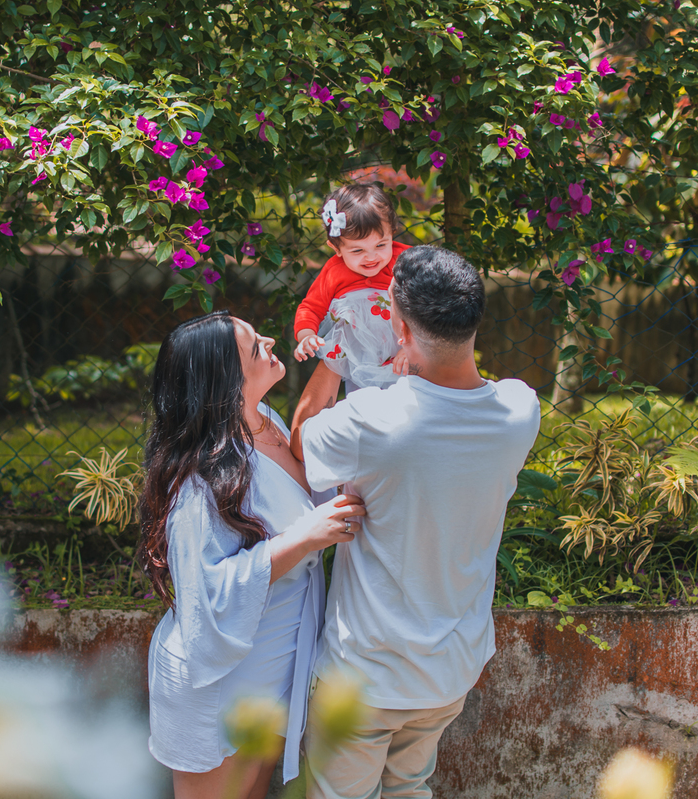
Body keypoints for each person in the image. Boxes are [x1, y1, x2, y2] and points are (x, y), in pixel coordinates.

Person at [291, 246, 542, 799]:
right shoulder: (520, 410)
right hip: (450, 671)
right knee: (409, 787)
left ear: (399, 328)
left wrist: (336, 356)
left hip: (367, 675)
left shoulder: (372, 420)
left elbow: (302, 442)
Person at [138, 311, 365, 799]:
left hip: (277, 659)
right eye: (254, 346)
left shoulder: (268, 423)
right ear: (226, 378)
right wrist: (305, 538)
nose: (270, 341)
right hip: (222, 675)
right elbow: (207, 590)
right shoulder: (199, 477)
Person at [293, 183, 412, 391]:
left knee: (408, 399)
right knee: (362, 401)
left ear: (392, 233)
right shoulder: (334, 271)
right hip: (358, 360)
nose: (371, 257)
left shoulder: (406, 261)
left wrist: (413, 346)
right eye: (358, 251)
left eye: (381, 245)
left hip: (406, 354)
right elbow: (310, 308)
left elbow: (427, 305)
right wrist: (306, 336)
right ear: (336, 248)